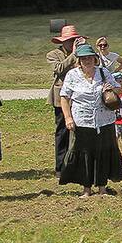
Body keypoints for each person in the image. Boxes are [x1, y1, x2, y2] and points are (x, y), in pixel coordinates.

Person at [58, 43, 122, 197]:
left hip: (104, 121)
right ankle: (86, 189)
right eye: (83, 58)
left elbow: (119, 89)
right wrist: (68, 118)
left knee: (103, 153)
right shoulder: (72, 75)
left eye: (90, 58)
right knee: (84, 154)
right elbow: (64, 97)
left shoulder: (103, 72)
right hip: (82, 121)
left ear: (95, 59)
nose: (87, 61)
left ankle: (102, 187)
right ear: (79, 61)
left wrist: (111, 89)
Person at [47, 25, 83, 173]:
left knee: (79, 131)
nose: (72, 42)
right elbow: (59, 69)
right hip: (60, 98)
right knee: (62, 132)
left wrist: (83, 52)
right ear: (63, 41)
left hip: (79, 97)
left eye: (74, 40)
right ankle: (60, 167)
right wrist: (74, 55)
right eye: (69, 40)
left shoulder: (82, 53)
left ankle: (76, 164)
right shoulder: (53, 54)